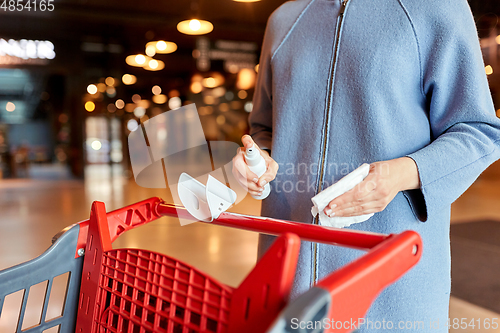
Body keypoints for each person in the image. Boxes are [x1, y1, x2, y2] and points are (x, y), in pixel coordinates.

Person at [232, 0, 500, 331]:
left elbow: (479, 131)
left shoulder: (435, 8)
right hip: (286, 272)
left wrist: (400, 174)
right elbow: (264, 127)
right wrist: (255, 157)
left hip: (389, 285)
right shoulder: (284, 20)